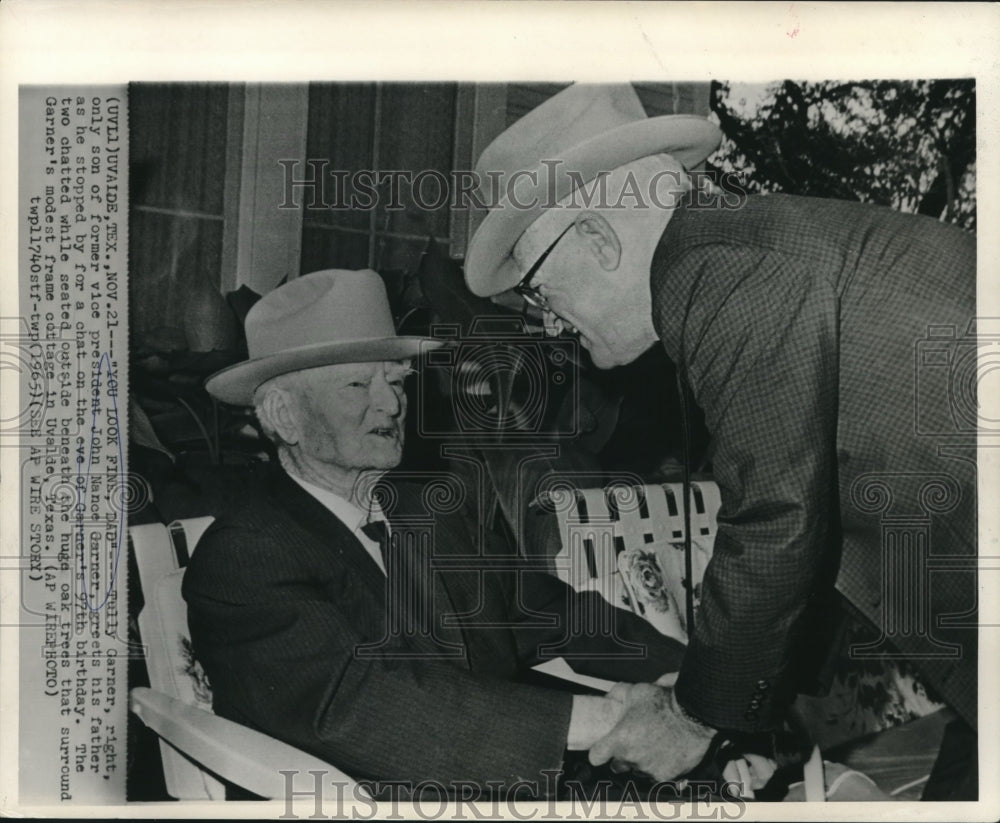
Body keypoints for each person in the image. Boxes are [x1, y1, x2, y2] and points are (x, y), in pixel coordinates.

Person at [463, 83, 977, 785]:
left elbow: (776, 520)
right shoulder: (732, 251)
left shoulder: (724, 274)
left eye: (539, 294)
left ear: (596, 239)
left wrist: (693, 718)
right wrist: (742, 705)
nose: (551, 325)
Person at [184, 268, 695, 795]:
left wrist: (694, 697)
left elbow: (554, 615)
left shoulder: (432, 513)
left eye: (397, 380)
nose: (391, 405)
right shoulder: (246, 555)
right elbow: (365, 704)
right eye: (358, 384)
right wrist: (610, 721)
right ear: (283, 416)